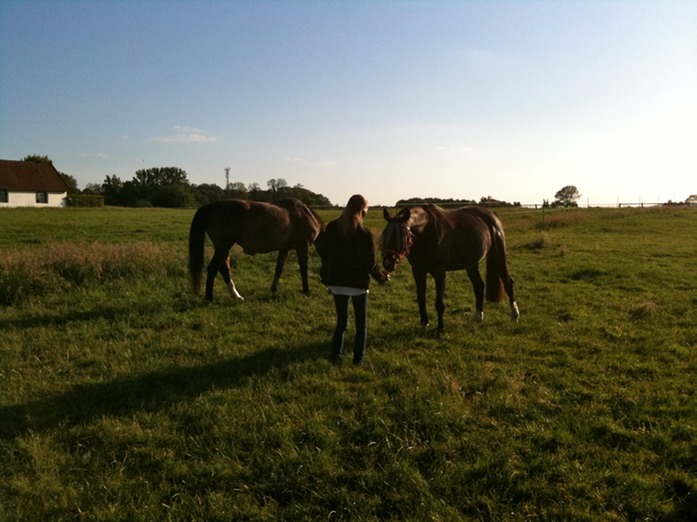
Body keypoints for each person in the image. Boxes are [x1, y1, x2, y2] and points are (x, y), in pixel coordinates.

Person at [315, 194, 388, 365]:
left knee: (341, 323)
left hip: (336, 282)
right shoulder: (365, 234)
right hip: (358, 285)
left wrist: (329, 266)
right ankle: (358, 360)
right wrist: (382, 277)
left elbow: (322, 249)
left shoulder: (332, 227)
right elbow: (370, 264)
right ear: (363, 210)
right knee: (361, 326)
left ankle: (335, 356)